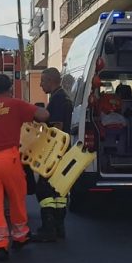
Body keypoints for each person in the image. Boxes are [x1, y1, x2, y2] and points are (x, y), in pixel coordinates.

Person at [0, 74, 49, 261]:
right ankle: (20, 236)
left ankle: (0, 244)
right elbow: (43, 115)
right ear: (10, 89)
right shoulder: (14, 104)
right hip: (8, 157)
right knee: (16, 196)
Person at [32, 67, 74, 243]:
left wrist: (42, 144)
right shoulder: (64, 97)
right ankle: (59, 227)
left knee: (44, 190)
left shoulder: (57, 100)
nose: (40, 85)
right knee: (59, 191)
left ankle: (48, 228)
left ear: (50, 80)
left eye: (42, 81)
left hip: (54, 152)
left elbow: (57, 127)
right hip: (63, 152)